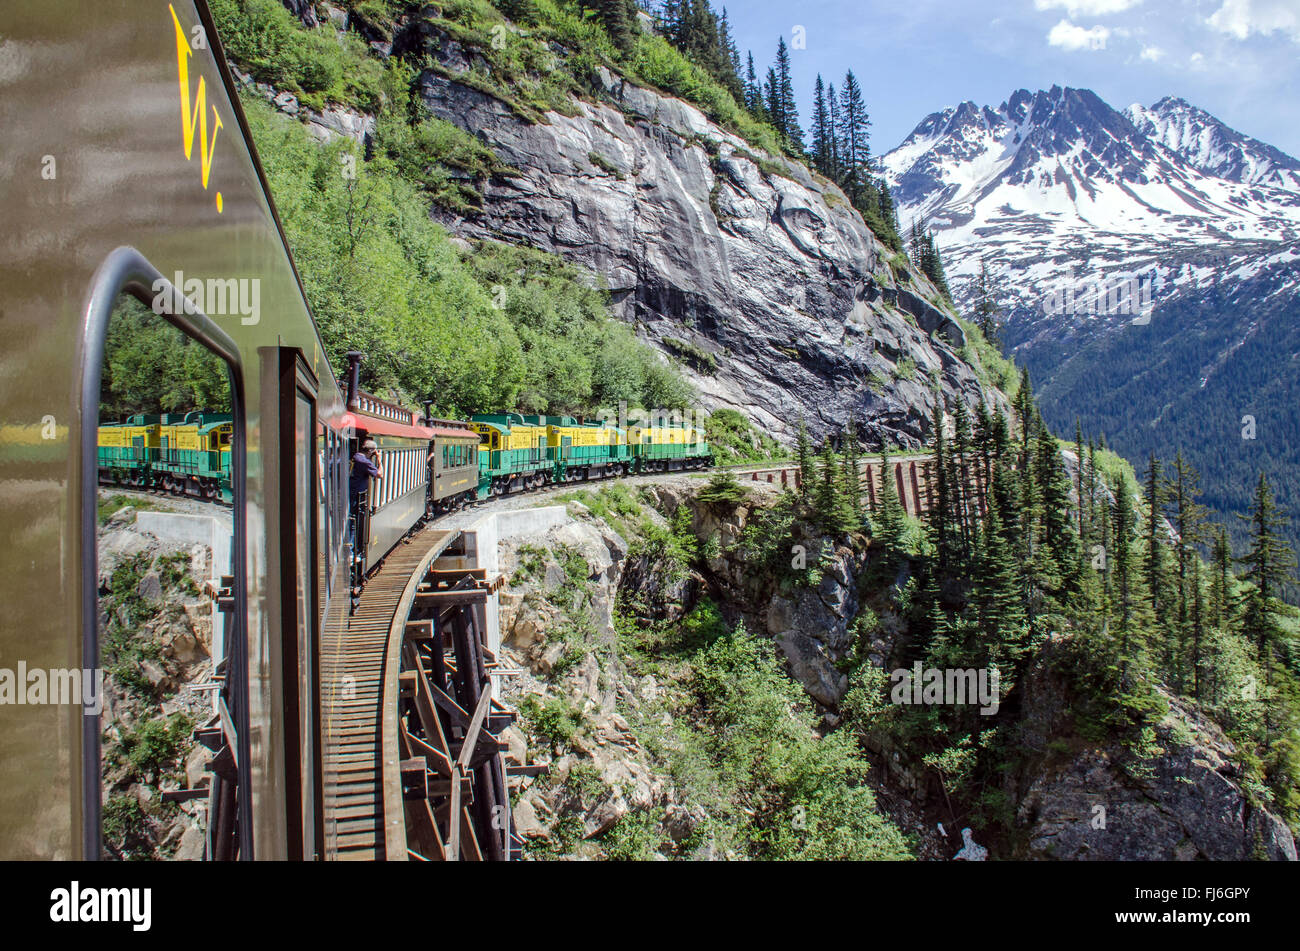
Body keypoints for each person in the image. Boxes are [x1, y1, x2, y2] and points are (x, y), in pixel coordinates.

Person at [348, 438, 383, 554]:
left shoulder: (356, 457)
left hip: (352, 492)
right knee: (353, 522)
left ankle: (351, 549)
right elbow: (380, 474)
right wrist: (379, 459)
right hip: (355, 494)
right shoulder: (363, 461)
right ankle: (351, 551)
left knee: (352, 521)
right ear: (371, 451)